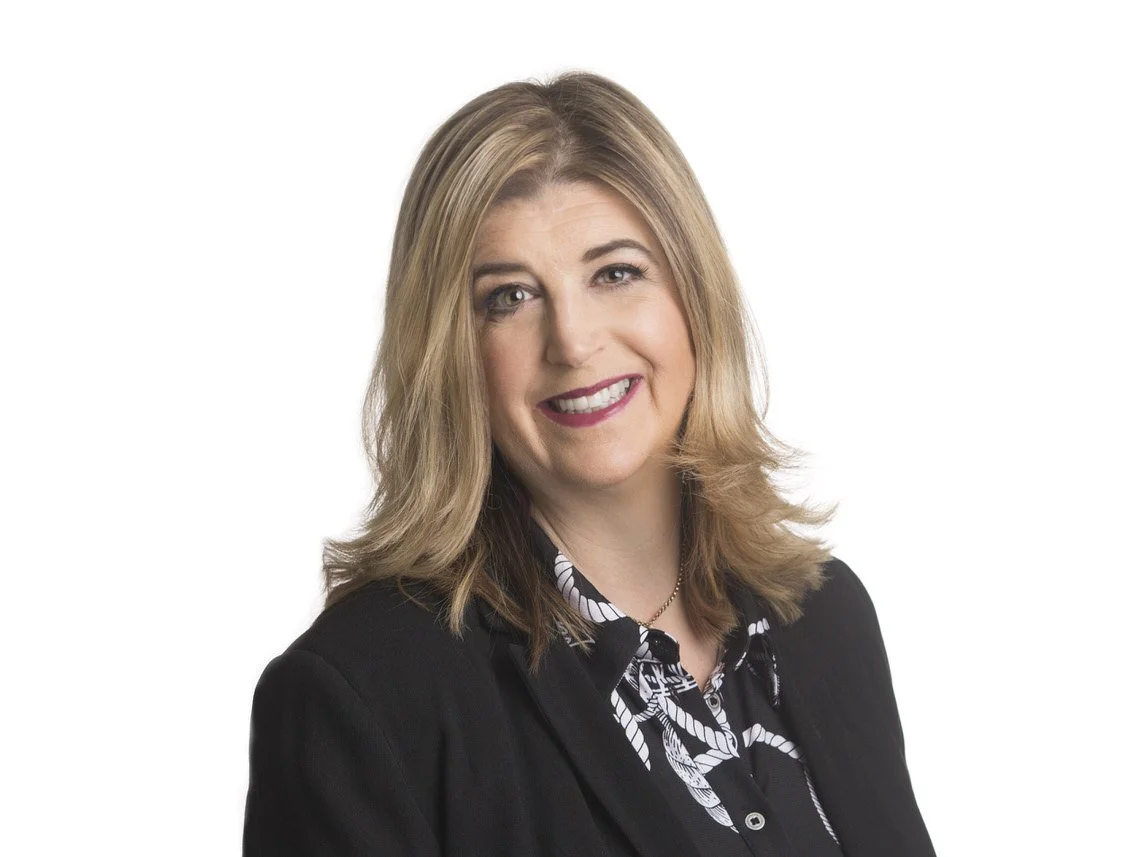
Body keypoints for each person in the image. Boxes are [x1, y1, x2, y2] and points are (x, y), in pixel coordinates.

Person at [242, 71, 936, 857]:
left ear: (693, 296)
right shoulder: (364, 696)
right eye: (508, 298)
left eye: (615, 273)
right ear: (451, 355)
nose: (572, 340)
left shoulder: (823, 617)